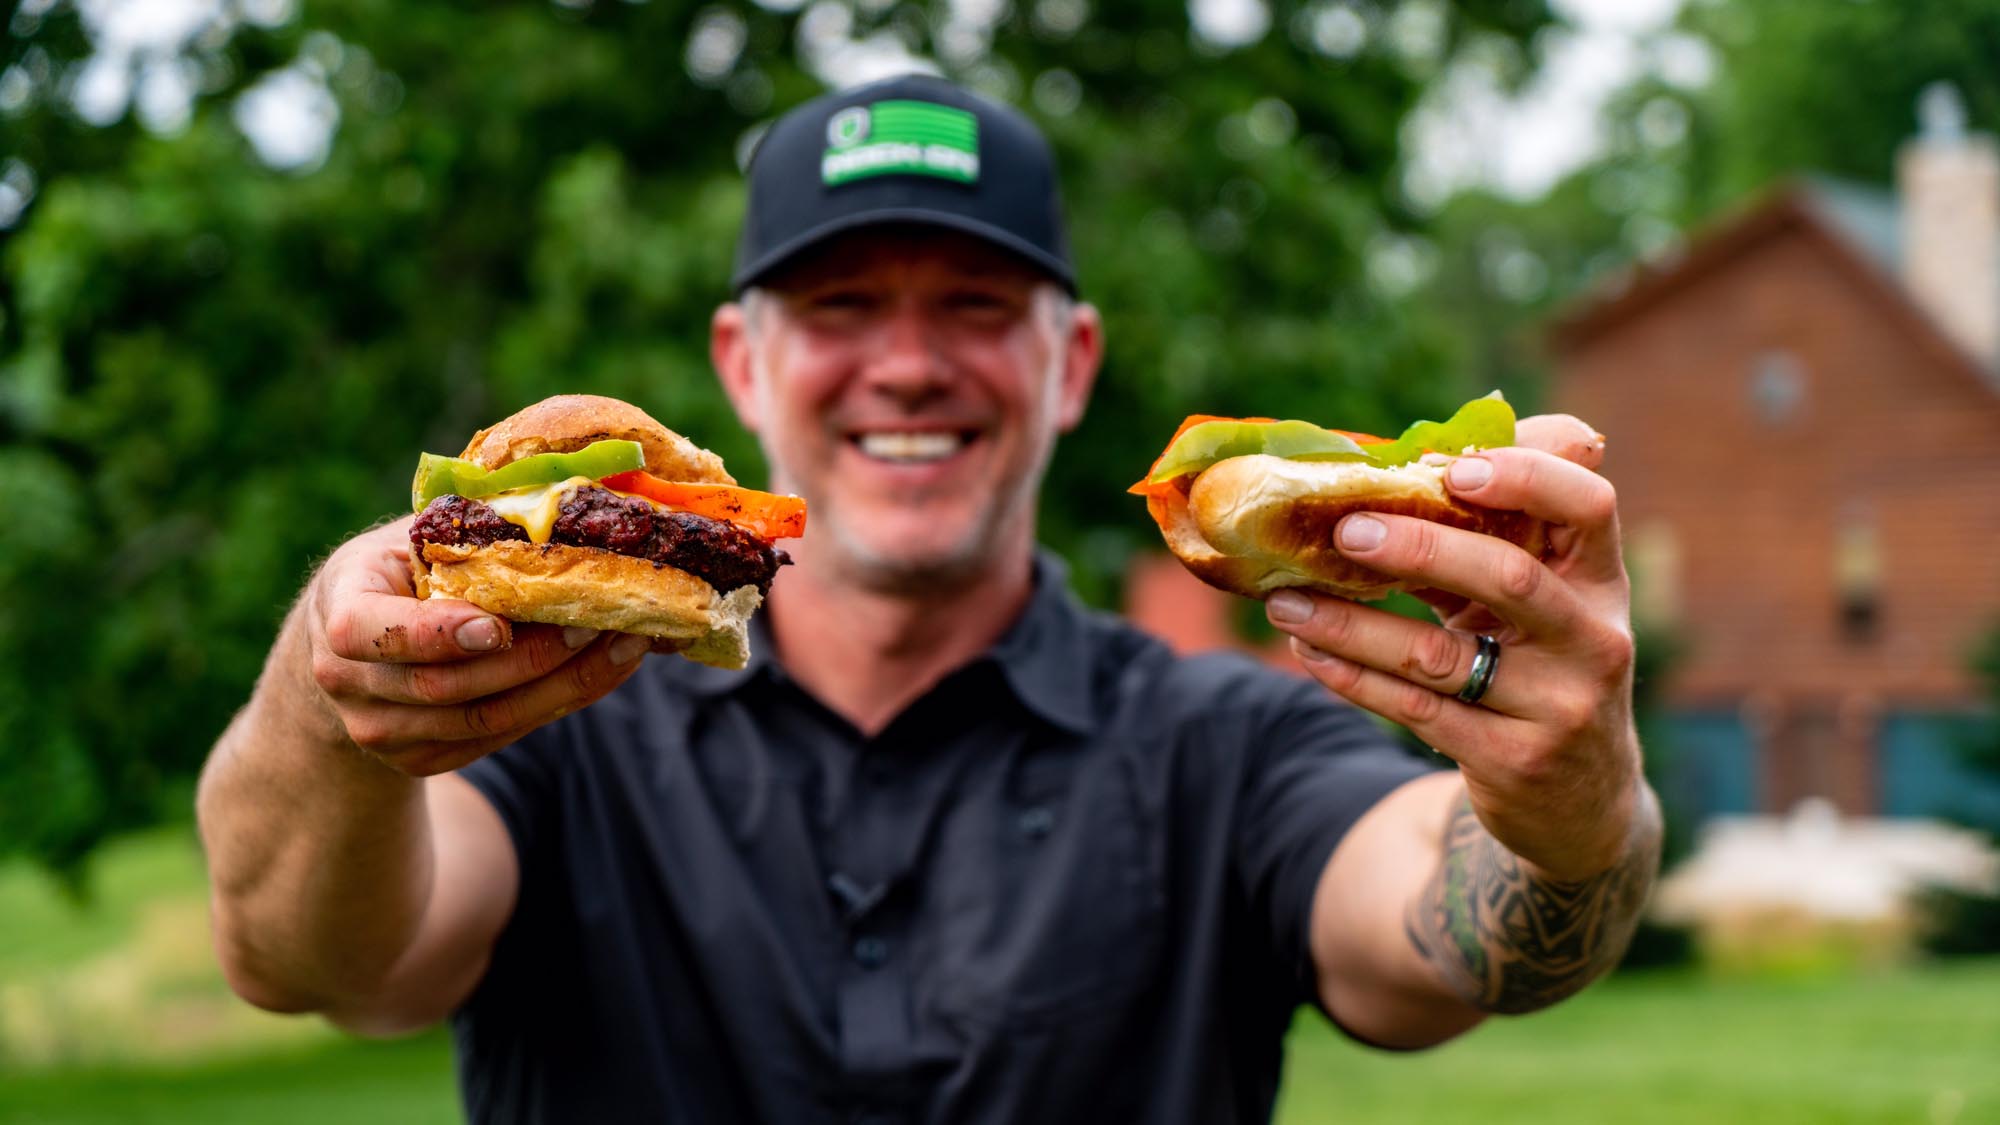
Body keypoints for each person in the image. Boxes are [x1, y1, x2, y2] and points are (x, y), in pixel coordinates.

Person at [197, 74, 1659, 1124]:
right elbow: (315, 959)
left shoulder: (1222, 741)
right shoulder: (551, 712)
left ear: (1071, 363)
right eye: (839, 306)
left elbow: (1447, 942)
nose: (907, 364)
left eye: (974, 304)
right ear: (741, 361)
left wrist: (1575, 805)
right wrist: (330, 707)